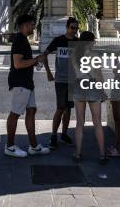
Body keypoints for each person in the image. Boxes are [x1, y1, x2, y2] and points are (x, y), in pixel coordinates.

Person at [4, 14, 50, 158]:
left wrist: (35, 61)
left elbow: (24, 62)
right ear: (24, 25)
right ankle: (10, 146)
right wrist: (36, 60)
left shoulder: (23, 40)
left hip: (27, 83)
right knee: (15, 113)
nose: (33, 27)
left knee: (31, 110)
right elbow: (18, 64)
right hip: (20, 82)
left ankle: (34, 146)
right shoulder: (19, 40)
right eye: (31, 24)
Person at [42, 17, 79, 149]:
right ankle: (53, 135)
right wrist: (48, 72)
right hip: (61, 80)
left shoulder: (78, 42)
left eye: (76, 28)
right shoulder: (58, 40)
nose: (74, 31)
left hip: (73, 81)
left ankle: (64, 134)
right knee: (60, 108)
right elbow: (44, 54)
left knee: (68, 109)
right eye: (72, 28)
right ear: (67, 27)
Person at [72, 31, 107, 165]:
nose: (95, 42)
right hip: (92, 87)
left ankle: (78, 154)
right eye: (94, 40)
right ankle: (102, 155)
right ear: (90, 41)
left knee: (80, 122)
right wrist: (102, 90)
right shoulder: (94, 56)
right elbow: (98, 76)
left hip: (78, 87)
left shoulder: (75, 54)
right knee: (97, 122)